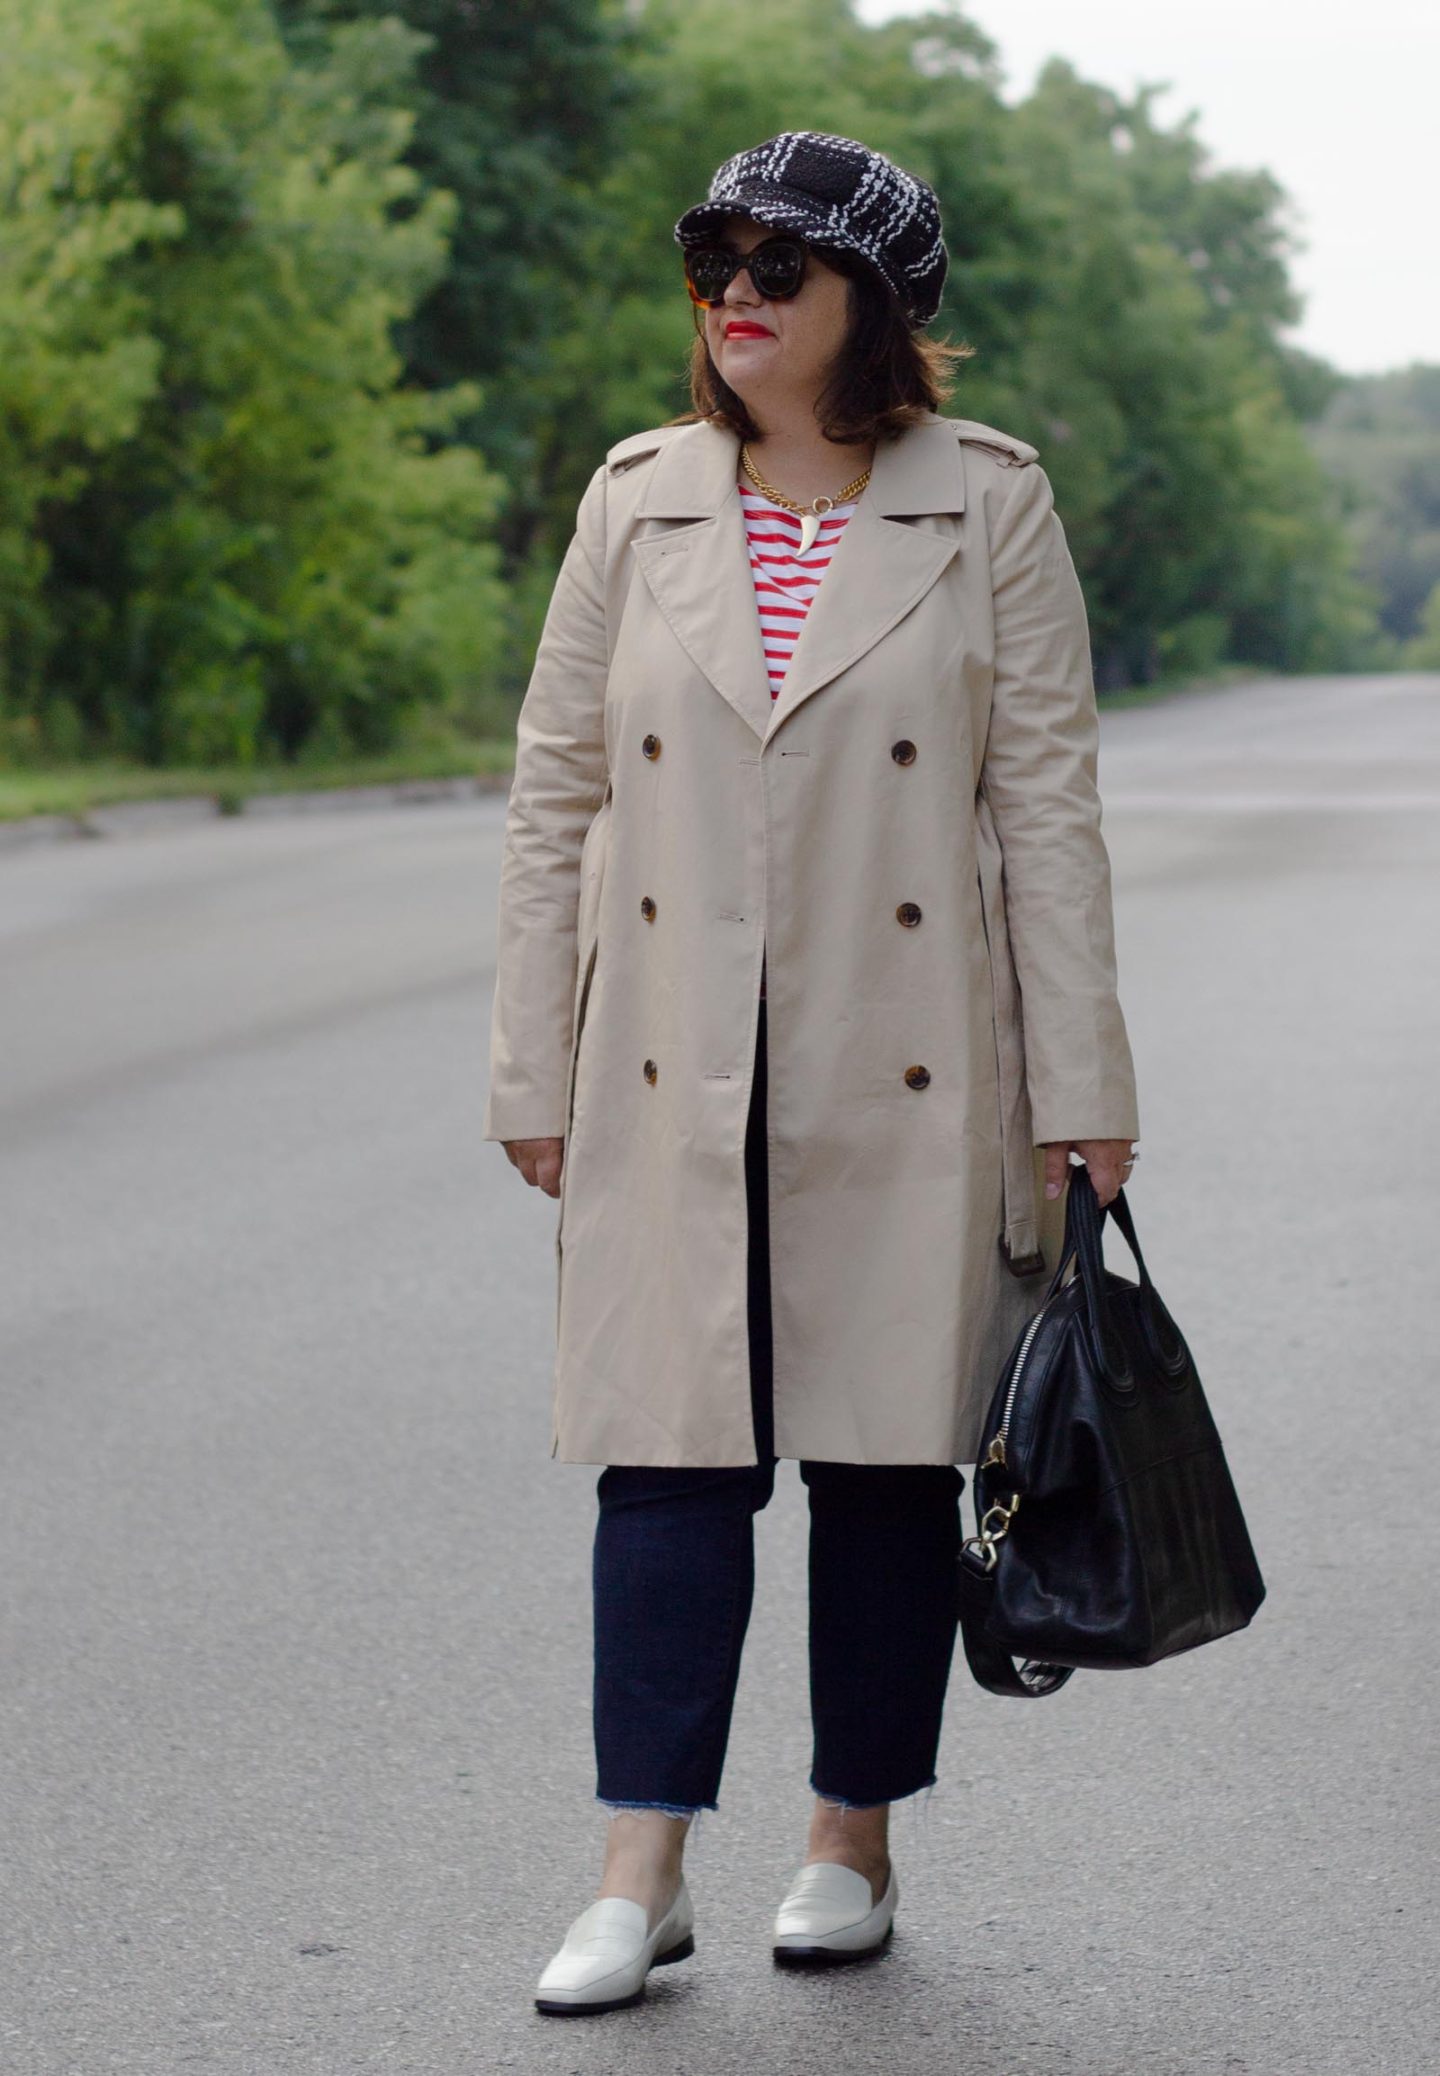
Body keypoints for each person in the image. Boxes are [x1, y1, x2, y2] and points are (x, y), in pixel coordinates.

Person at [482, 130, 1141, 2017]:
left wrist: (1082, 1086)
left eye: (786, 262)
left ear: (874, 301)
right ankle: (641, 1868)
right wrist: (538, 1057)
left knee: (877, 1461)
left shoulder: (985, 504)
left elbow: (1050, 812)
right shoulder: (637, 500)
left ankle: (850, 1835)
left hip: (910, 1058)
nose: (739, 291)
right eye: (718, 255)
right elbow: (554, 798)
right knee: (666, 1466)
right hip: (672, 1056)